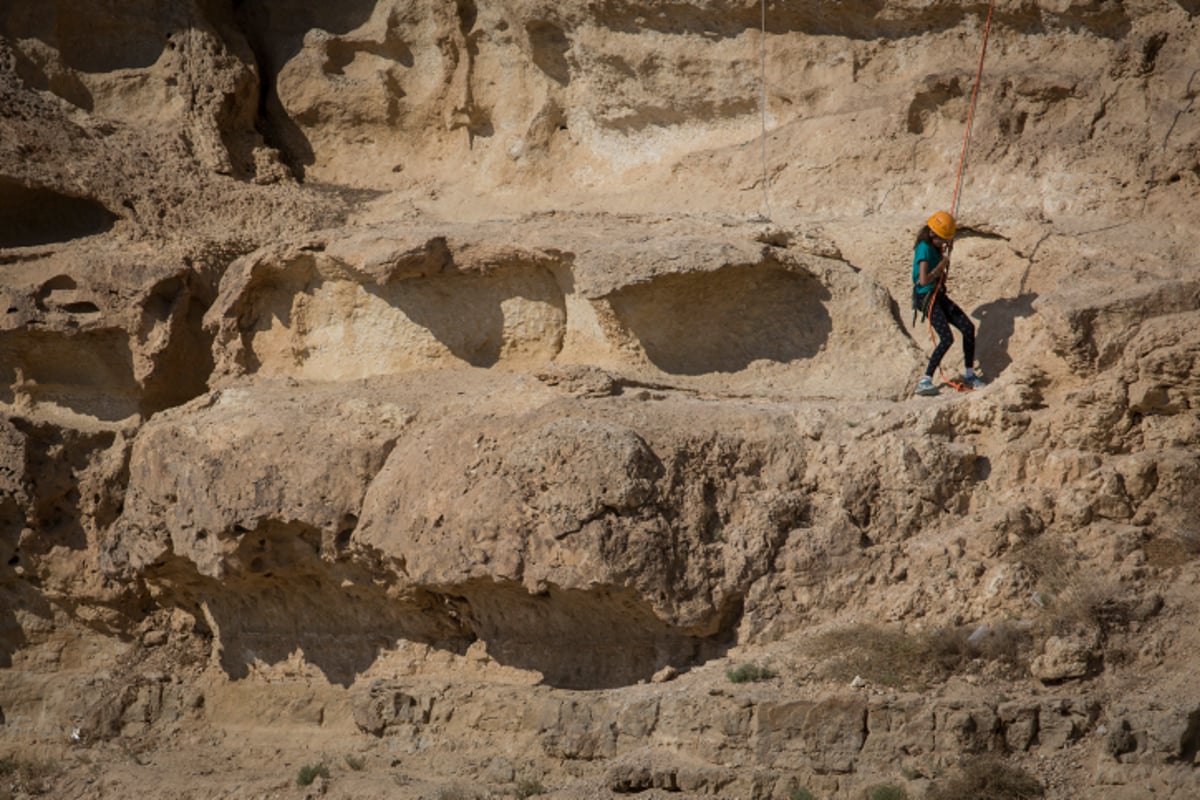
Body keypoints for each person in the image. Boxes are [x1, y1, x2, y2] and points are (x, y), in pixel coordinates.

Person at [911, 210, 984, 395]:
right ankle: (925, 380)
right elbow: (923, 280)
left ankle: (969, 374)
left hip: (937, 295)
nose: (944, 243)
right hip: (926, 297)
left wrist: (943, 252)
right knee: (947, 337)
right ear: (932, 234)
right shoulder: (924, 249)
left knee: (968, 328)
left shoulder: (935, 245)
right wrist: (940, 267)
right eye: (942, 240)